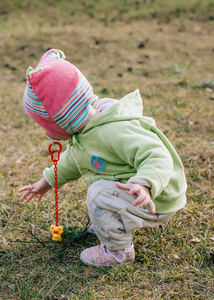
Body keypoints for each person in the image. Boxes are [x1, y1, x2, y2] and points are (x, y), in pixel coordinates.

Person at [18, 49, 187, 267]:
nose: (45, 132)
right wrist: (47, 180)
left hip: (156, 196)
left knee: (98, 194)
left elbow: (157, 155)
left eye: (46, 126)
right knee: (101, 191)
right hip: (140, 192)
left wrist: (144, 183)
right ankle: (112, 220)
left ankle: (117, 252)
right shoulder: (87, 128)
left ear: (63, 121)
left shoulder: (113, 131)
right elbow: (73, 160)